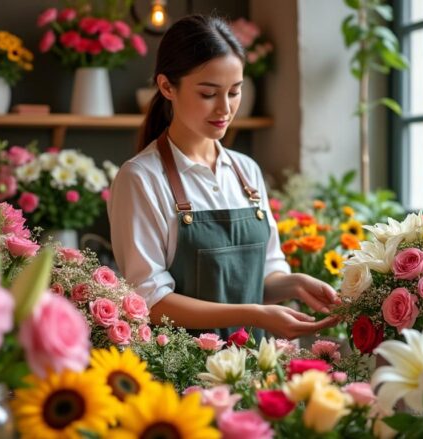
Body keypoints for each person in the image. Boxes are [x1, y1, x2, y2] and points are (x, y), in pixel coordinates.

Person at [108, 15, 339, 340]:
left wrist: (295, 284)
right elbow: (151, 302)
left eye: (234, 92)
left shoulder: (246, 171)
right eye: (208, 93)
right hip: (183, 366)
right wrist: (253, 314)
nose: (225, 109)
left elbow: (263, 276)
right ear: (167, 87)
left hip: (253, 363)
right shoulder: (141, 179)